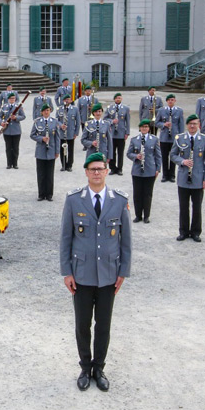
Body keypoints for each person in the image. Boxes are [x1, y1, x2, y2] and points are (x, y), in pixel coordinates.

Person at [60, 152, 130, 393]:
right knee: (82, 324)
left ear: (107, 171)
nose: (97, 173)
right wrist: (66, 272)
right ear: (87, 173)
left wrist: (123, 272)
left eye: (101, 168)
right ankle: (84, 367)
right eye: (93, 169)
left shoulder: (118, 201)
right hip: (81, 274)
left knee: (103, 325)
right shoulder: (73, 200)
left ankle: (99, 368)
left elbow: (126, 241)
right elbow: (66, 239)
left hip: (109, 274)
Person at [172, 114, 205, 242]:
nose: (193, 126)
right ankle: (183, 231)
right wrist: (182, 161)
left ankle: (195, 232)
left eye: (195, 124)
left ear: (199, 125)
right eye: (190, 124)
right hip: (184, 178)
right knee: (183, 207)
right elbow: (172, 155)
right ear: (187, 125)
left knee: (197, 207)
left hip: (198, 178)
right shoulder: (180, 138)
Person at [126, 119, 162, 223]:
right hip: (137, 170)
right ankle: (138, 215)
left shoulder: (154, 139)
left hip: (150, 169)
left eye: (146, 127)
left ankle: (146, 216)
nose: (144, 128)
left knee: (148, 194)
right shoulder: (134, 139)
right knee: (137, 194)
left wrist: (158, 169)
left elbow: (158, 155)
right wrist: (136, 156)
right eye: (143, 127)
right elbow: (129, 153)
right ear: (140, 128)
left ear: (149, 128)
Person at [33, 103, 60, 201]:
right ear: (41, 112)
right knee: (41, 174)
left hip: (51, 151)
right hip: (40, 151)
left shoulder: (54, 122)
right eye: (44, 110)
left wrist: (57, 151)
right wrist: (41, 138)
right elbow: (33, 135)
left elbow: (57, 137)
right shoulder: (37, 122)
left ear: (50, 111)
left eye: (48, 110)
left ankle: (49, 194)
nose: (46, 112)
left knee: (49, 174)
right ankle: (41, 194)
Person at [155, 94, 184, 183]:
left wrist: (180, 137)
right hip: (164, 137)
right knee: (164, 156)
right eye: (169, 100)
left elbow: (181, 124)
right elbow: (156, 122)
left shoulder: (179, 111)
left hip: (174, 137)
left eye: (172, 100)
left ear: (175, 101)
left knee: (173, 156)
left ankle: (172, 175)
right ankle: (165, 175)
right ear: (167, 101)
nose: (171, 101)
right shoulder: (161, 110)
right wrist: (163, 125)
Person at [0, 93, 25, 169]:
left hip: (16, 130)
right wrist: (1, 122)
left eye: (13, 98)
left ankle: (15, 163)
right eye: (11, 98)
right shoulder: (4, 106)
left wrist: (16, 117)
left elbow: (23, 116)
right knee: (8, 147)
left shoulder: (18, 106)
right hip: (7, 130)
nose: (12, 100)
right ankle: (9, 163)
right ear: (8, 99)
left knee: (15, 148)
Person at [107, 93, 130, 175]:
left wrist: (127, 132)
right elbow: (105, 118)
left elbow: (128, 121)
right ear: (114, 99)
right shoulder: (110, 108)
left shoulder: (126, 108)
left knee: (120, 152)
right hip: (112, 133)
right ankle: (112, 168)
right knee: (112, 151)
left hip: (121, 133)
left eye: (119, 98)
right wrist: (111, 121)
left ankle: (120, 168)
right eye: (116, 98)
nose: (118, 99)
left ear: (121, 99)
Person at [57, 96, 80, 172]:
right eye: (65, 99)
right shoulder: (60, 109)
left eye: (68, 99)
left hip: (70, 132)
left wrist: (76, 133)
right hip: (62, 132)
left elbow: (78, 121)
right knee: (62, 149)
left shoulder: (75, 109)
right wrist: (61, 125)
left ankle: (69, 165)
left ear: (71, 100)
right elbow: (56, 120)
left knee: (70, 149)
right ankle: (63, 165)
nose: (67, 101)